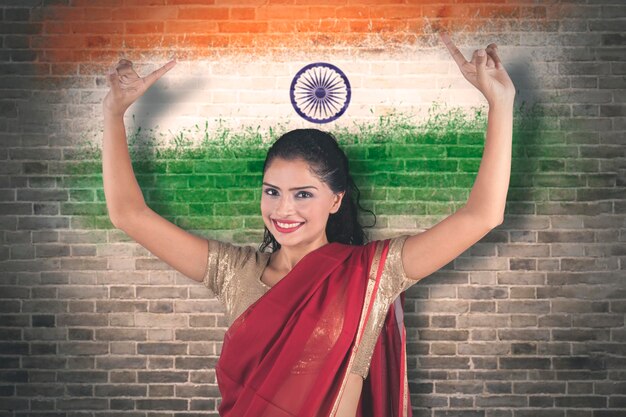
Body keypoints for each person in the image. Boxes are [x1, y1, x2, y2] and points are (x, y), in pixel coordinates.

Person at [102, 32, 514, 417]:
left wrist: (501, 103)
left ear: (336, 200)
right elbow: (129, 215)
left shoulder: (372, 273)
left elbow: (483, 215)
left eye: (303, 194)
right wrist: (113, 112)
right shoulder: (233, 271)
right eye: (272, 191)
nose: (284, 209)